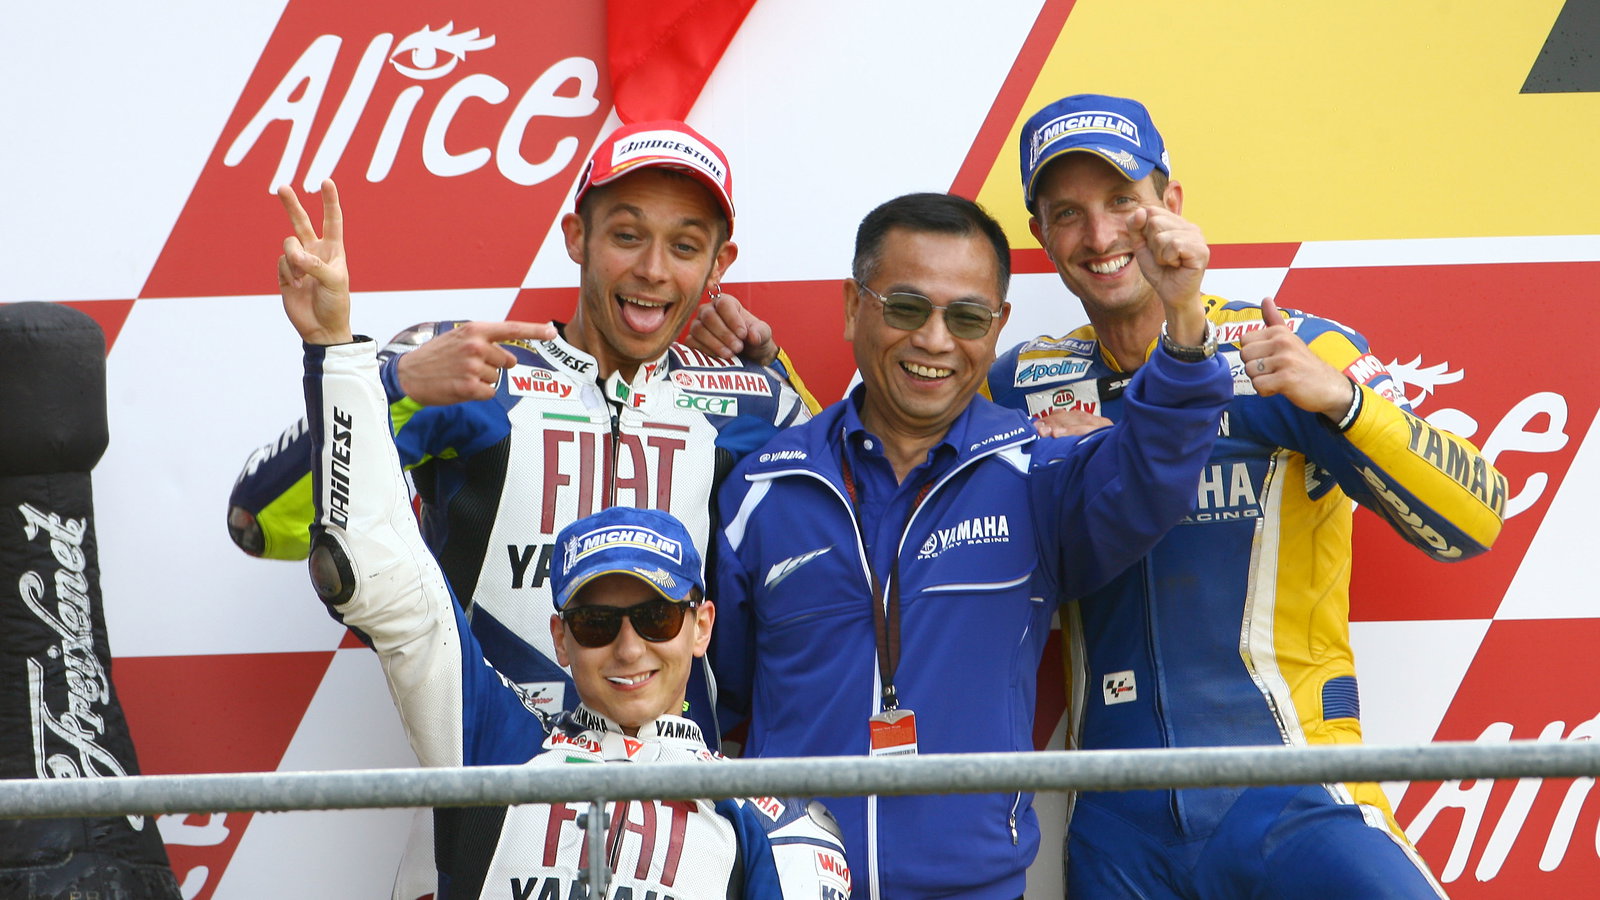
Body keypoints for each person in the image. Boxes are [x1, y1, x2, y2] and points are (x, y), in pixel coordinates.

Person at [254, 121, 813, 899]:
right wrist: (396, 384)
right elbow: (264, 521)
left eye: (685, 246)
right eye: (626, 235)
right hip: (486, 783)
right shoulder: (473, 362)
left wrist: (775, 367)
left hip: (680, 817)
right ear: (575, 235)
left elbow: (848, 517)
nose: (652, 271)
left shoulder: (753, 403)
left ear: (720, 265)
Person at [987, 93, 1508, 898]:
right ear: (1042, 238)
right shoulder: (1017, 384)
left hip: (1295, 794)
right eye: (1067, 213)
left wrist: (1344, 404)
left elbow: (1473, 523)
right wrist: (754, 361)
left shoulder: (1293, 345)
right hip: (1119, 832)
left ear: (1172, 204)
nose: (1099, 236)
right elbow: (881, 472)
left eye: (1123, 200)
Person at [709, 191, 1233, 899]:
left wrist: (1184, 323)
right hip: (790, 886)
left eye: (965, 317)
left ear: (997, 328)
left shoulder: (1037, 474)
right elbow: (718, 694)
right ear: (851, 305)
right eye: (904, 307)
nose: (934, 340)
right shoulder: (763, 489)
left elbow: (1154, 473)